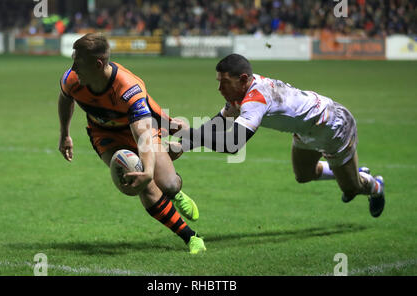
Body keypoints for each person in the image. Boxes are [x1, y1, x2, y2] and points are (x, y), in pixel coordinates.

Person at [172, 53, 385, 218]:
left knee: (352, 188)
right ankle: (349, 171)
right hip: (306, 129)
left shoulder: (256, 98)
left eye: (224, 82)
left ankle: (374, 185)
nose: (219, 88)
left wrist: (188, 133)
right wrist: (184, 145)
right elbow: (218, 124)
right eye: (218, 81)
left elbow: (233, 144)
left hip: (332, 126)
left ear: (244, 79)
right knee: (303, 175)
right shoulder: (239, 93)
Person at [57, 33, 205, 254]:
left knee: (169, 184)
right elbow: (65, 99)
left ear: (98, 64)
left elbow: (142, 133)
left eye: (78, 62)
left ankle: (175, 192)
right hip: (105, 135)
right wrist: (64, 134)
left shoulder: (127, 88)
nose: (73, 67)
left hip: (139, 129)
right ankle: (191, 237)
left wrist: (149, 169)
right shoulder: (72, 80)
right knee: (140, 181)